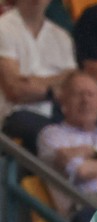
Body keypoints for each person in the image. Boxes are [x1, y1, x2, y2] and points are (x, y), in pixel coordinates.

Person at [37, 71, 97, 216]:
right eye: (77, 94)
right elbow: (81, 171)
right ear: (63, 101)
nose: (85, 100)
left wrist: (92, 152)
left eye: (90, 94)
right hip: (90, 205)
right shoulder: (52, 135)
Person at [0, 0, 76, 153]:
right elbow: (14, 91)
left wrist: (28, 80)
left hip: (59, 113)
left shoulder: (62, 37)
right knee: (57, 136)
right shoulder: (3, 28)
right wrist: (54, 88)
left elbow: (72, 86)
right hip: (14, 114)